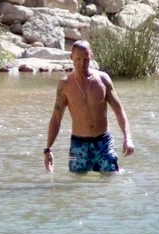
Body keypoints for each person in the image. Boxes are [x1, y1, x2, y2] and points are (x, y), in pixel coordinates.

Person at [44, 40, 134, 174]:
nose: (82, 63)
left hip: (103, 142)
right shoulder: (65, 85)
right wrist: (48, 149)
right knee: (78, 185)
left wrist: (128, 138)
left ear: (92, 56)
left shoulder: (103, 80)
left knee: (111, 178)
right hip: (78, 145)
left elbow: (119, 111)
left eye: (86, 59)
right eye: (78, 59)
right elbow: (56, 119)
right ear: (71, 57)